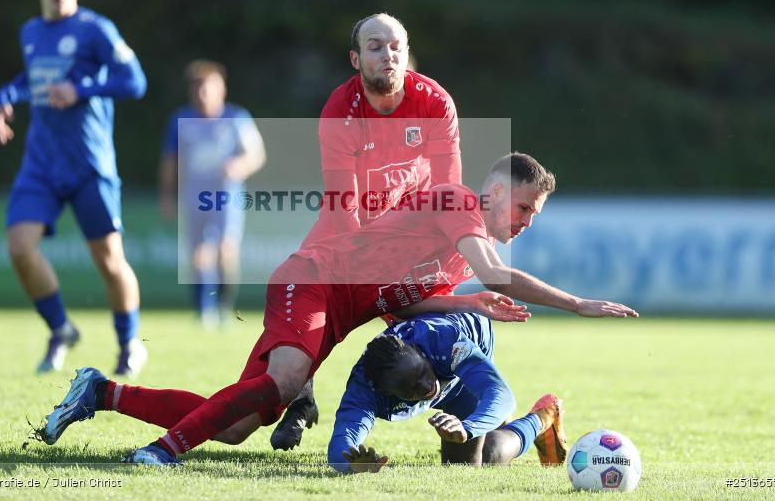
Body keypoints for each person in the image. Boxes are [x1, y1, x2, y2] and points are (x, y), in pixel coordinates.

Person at [36, 152, 638, 465]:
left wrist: (462, 299)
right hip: (315, 280)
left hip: (338, 308)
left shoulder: (461, 253)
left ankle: (102, 393)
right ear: (498, 191)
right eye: (527, 208)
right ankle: (163, 452)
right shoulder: (461, 203)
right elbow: (492, 269)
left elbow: (397, 301)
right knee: (287, 380)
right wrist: (575, 302)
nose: (528, 222)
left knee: (245, 424)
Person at [272, 12, 462, 450]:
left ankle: (461, 417)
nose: (389, 54)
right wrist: (366, 267)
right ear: (356, 59)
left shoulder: (434, 101)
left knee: (438, 326)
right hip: (346, 227)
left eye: (396, 46)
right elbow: (343, 206)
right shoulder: (340, 109)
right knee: (309, 318)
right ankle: (301, 401)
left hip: (409, 233)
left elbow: (447, 191)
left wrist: (418, 253)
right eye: (376, 47)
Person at [0, 0, 148, 376]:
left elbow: (135, 82)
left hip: (89, 164)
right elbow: (33, 79)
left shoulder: (96, 29)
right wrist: (6, 95)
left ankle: (129, 341)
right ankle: (61, 330)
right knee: (20, 248)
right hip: (41, 163)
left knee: (108, 260)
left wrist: (82, 91)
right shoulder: (30, 33)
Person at [329, 312, 565, 474]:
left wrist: (468, 427)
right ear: (384, 391)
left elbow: (501, 395)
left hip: (468, 353)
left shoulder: (444, 342)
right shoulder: (363, 390)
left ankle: (543, 417)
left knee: (483, 458)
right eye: (410, 387)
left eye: (422, 372)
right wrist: (352, 464)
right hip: (444, 370)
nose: (425, 386)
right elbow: (341, 441)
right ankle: (506, 424)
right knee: (485, 433)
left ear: (418, 351)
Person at [159, 60, 266, 327]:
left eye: (208, 88)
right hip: (194, 195)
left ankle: (224, 309)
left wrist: (238, 166)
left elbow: (256, 154)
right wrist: (167, 196)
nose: (203, 94)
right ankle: (203, 310)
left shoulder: (236, 117)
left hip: (226, 196)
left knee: (226, 251)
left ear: (222, 89)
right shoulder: (180, 120)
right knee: (199, 254)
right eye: (198, 89)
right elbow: (170, 161)